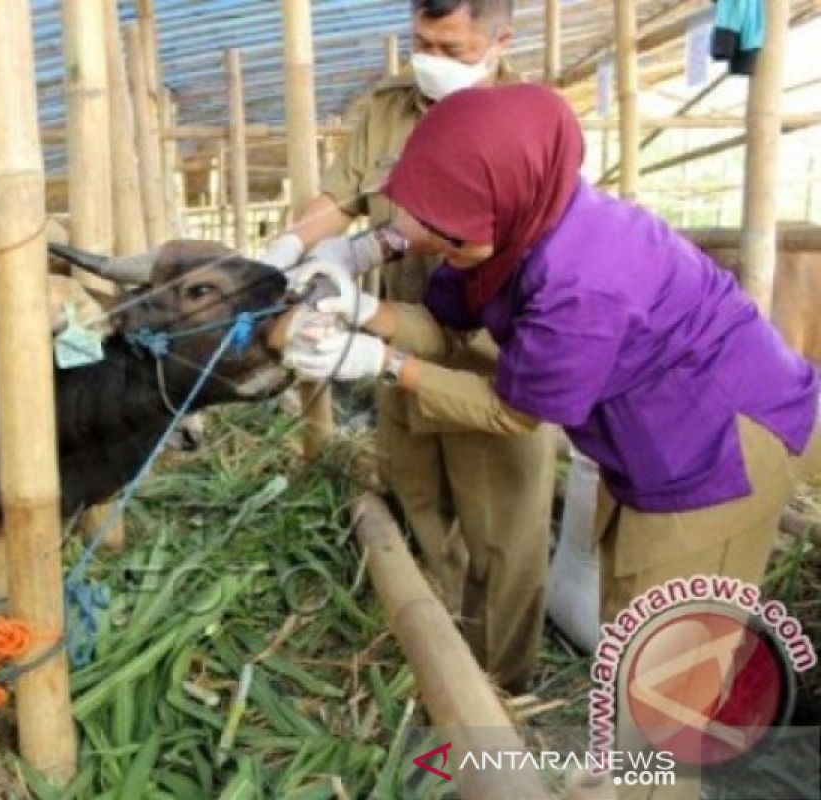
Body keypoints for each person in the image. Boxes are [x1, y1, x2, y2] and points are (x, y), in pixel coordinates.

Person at [282, 83, 820, 799]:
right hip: (651, 445)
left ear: (502, 206)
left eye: (447, 231)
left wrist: (382, 364)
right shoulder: (514, 227)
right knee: (629, 635)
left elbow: (515, 413)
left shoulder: (581, 281)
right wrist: (365, 310)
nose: (432, 242)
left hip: (718, 453)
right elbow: (447, 329)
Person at [263, 0, 553, 693]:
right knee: (419, 502)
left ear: (499, 39)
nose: (430, 59)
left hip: (488, 353)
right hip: (396, 324)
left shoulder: (530, 117)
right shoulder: (387, 107)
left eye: (452, 48)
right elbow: (340, 198)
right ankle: (437, 661)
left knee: (504, 537)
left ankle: (503, 695)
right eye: (422, 40)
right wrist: (288, 249)